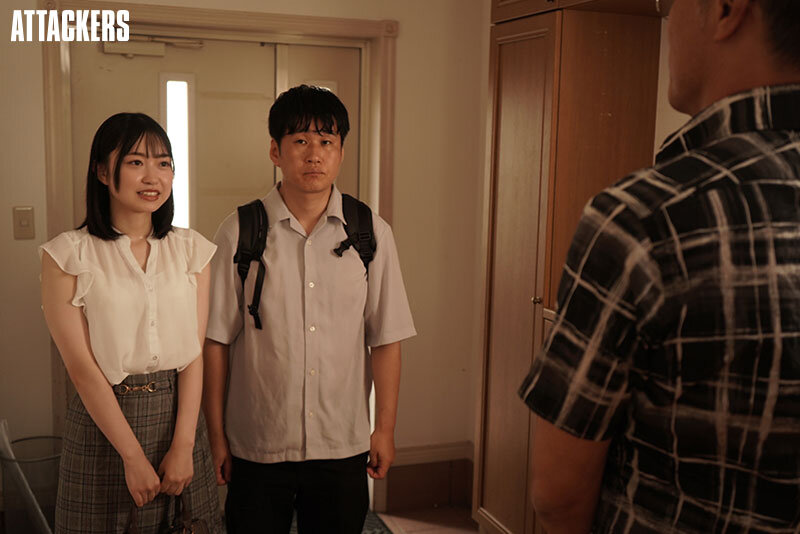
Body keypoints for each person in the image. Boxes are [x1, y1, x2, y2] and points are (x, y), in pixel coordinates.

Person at [518, 0, 800, 532]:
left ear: (725, 9)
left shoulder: (645, 219)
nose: (666, 22)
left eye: (670, 3)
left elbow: (558, 492)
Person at [203, 85, 416, 533]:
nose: (314, 154)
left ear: (341, 152)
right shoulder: (239, 231)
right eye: (300, 141)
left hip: (342, 443)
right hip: (258, 443)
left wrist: (384, 429)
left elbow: (386, 339)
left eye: (326, 141)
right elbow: (216, 341)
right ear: (275, 151)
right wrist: (216, 436)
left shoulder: (369, 232)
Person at [40, 112, 224, 533]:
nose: (152, 176)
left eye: (163, 163)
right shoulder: (67, 255)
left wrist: (184, 445)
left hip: (180, 420)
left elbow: (193, 355)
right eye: (136, 162)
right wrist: (132, 456)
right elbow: (82, 368)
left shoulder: (191, 250)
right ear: (103, 172)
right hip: (104, 424)